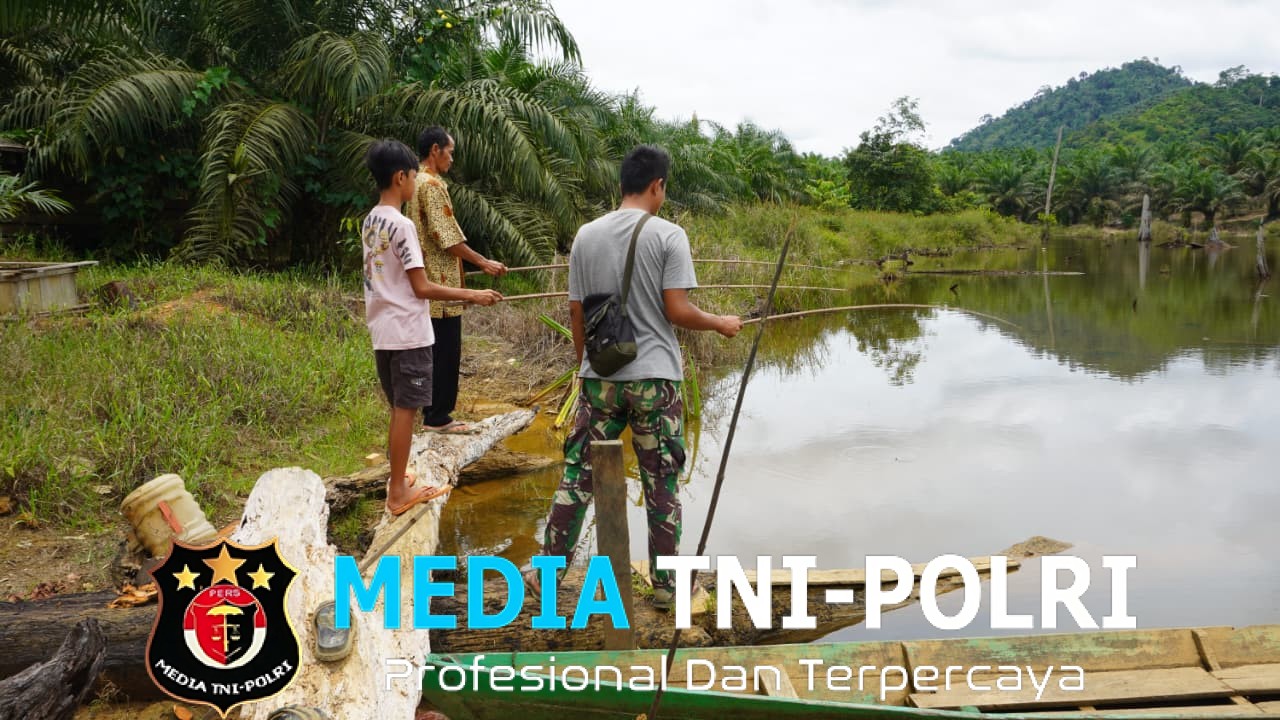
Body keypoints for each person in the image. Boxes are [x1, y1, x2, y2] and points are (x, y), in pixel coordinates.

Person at [529, 144, 744, 608]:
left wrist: (587, 367)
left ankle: (547, 574)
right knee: (661, 481)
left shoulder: (585, 236)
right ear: (657, 186)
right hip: (655, 380)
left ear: (622, 184)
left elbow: (576, 312)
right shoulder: (669, 235)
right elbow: (677, 310)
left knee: (578, 474)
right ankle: (667, 586)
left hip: (599, 377)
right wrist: (720, 323)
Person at [361, 139, 502, 516]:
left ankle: (398, 476)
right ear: (400, 177)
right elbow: (421, 287)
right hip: (409, 332)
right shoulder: (401, 224)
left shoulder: (372, 220)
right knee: (407, 411)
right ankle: (397, 493)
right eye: (412, 176)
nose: (415, 181)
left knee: (399, 410)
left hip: (383, 331)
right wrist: (471, 295)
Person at [406, 126, 508, 435]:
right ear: (435, 150)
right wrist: (483, 262)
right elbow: (446, 236)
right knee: (446, 353)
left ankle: (432, 413)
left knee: (435, 351)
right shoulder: (432, 185)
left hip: (428, 281)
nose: (452, 159)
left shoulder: (415, 182)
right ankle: (438, 417)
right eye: (450, 152)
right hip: (441, 289)